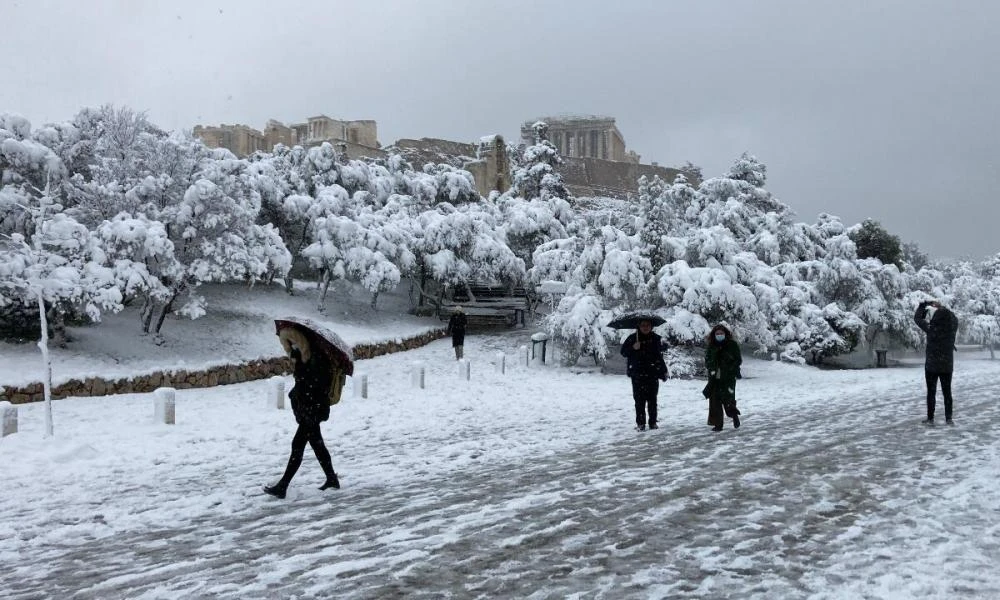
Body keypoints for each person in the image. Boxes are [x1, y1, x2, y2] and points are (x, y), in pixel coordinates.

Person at [265, 327, 340, 499]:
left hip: (313, 409)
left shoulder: (317, 358)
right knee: (317, 444)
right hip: (307, 408)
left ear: (300, 342)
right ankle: (331, 479)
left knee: (297, 445)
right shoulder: (303, 358)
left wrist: (302, 380)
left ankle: (283, 486)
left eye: (293, 343)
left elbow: (316, 384)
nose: (291, 347)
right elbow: (303, 383)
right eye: (288, 344)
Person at [914, 300, 959, 425]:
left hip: (932, 366)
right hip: (946, 365)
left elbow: (918, 318)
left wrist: (923, 305)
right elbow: (954, 318)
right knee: (947, 392)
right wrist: (942, 307)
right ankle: (949, 418)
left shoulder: (931, 329)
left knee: (931, 392)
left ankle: (930, 418)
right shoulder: (951, 329)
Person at [620, 319, 668, 431]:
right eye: (643, 325)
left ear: (651, 326)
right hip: (637, 375)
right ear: (639, 326)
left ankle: (653, 423)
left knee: (652, 400)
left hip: (652, 374)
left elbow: (663, 350)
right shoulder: (632, 338)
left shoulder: (656, 338)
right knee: (639, 401)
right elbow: (623, 352)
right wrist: (633, 348)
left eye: (648, 325)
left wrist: (663, 369)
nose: (645, 327)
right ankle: (640, 424)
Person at [704, 324, 742, 432]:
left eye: (721, 333)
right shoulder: (711, 346)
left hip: (728, 377)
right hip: (714, 377)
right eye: (717, 334)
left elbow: (738, 359)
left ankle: (734, 415)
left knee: (728, 399)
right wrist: (711, 367)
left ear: (725, 334)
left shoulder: (732, 345)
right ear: (713, 335)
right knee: (715, 401)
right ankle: (718, 424)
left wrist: (730, 368)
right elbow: (707, 359)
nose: (719, 335)